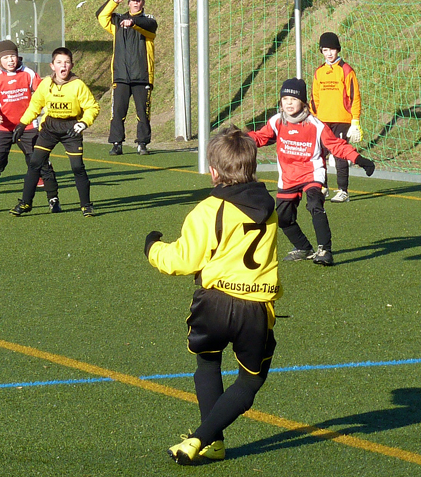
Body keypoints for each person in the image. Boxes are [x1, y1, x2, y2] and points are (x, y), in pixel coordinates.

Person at [145, 125, 279, 465]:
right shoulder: (269, 206)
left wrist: (153, 249)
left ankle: (205, 439)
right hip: (255, 306)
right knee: (250, 382)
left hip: (214, 302)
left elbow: (183, 260)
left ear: (213, 171)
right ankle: (207, 440)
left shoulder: (208, 209)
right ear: (252, 166)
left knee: (207, 363)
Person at [248, 78, 375, 266]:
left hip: (312, 173)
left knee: (315, 204)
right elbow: (260, 137)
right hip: (288, 177)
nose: (289, 103)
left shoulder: (315, 125)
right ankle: (303, 248)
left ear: (303, 102)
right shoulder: (276, 121)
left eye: (294, 99)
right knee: (283, 218)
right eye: (285, 99)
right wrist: (239, 139)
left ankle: (325, 251)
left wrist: (359, 159)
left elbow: (336, 145)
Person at [10, 47, 99, 217]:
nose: (63, 66)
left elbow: (92, 107)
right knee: (35, 163)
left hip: (71, 128)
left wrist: (83, 123)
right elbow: (35, 106)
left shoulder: (78, 85)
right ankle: (25, 203)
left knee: (77, 167)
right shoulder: (46, 84)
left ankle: (86, 205)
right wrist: (22, 124)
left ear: (71, 65)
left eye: (67, 62)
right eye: (59, 62)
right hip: (50, 127)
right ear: (52, 66)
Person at [0, 40, 58, 213]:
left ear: (18, 57)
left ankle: (53, 199)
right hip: (3, 128)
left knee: (41, 162)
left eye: (13, 56)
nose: (10, 60)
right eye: (6, 57)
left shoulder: (28, 73)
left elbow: (43, 92)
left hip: (27, 126)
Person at [96, 0, 157, 156]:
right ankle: (117, 143)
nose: (136, 2)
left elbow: (148, 27)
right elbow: (101, 16)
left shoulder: (148, 21)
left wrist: (133, 23)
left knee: (143, 112)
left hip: (142, 76)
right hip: (121, 75)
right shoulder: (118, 21)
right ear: (128, 2)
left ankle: (142, 144)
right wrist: (114, 1)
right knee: (118, 112)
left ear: (143, 3)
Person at [311, 32, 363, 203]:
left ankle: (343, 191)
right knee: (319, 155)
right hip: (322, 121)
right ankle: (322, 187)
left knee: (340, 156)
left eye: (332, 49)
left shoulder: (346, 70)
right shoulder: (319, 72)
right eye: (325, 50)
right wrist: (313, 118)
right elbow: (314, 98)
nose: (329, 53)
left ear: (338, 50)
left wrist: (355, 121)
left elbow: (354, 97)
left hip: (342, 120)